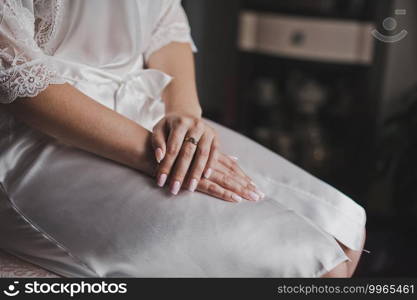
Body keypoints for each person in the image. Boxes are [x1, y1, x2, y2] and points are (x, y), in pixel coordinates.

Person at [0, 0, 366, 277]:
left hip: (145, 108)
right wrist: (156, 154)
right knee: (310, 263)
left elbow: (166, 22)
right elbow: (20, 79)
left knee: (344, 232)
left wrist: (185, 116)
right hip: (39, 136)